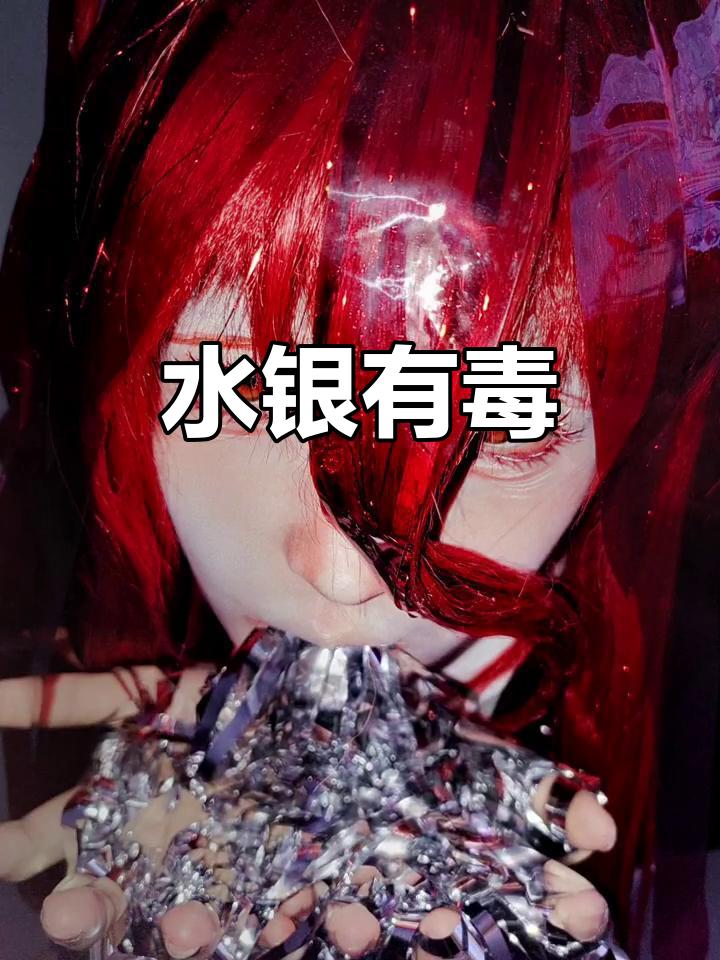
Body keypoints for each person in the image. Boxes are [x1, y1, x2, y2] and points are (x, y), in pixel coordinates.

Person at [0, 0, 718, 957]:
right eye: (250, 393)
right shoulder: (82, 694)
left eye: (498, 428)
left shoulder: (694, 752)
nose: (343, 573)